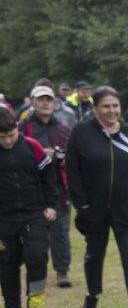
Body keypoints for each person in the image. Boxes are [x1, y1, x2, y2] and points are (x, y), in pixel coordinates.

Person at [65, 86, 128, 308]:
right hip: (93, 209)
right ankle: (92, 294)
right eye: (106, 106)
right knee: (94, 255)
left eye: (115, 105)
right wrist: (81, 203)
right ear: (95, 108)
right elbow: (72, 170)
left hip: (126, 207)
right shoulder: (81, 132)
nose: (112, 110)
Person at [0, 106, 58, 308]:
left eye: (11, 136)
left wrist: (51, 205)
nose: (7, 141)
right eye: (2, 138)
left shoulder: (32, 147)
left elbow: (49, 177)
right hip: (4, 219)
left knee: (37, 258)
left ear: (17, 128)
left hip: (34, 214)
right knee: (7, 265)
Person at [22, 84, 74, 287]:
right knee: (33, 233)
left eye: (48, 99)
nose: (44, 103)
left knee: (60, 231)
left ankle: (62, 272)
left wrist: (61, 158)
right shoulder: (22, 128)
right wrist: (40, 154)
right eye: (40, 99)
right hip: (30, 190)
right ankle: (34, 271)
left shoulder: (64, 129)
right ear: (32, 102)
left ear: (54, 103)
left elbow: (75, 158)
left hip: (59, 188)